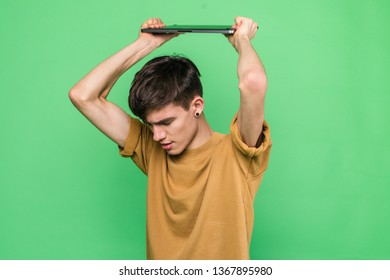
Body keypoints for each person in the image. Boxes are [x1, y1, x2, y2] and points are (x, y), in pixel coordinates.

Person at [69, 16, 272, 260]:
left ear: (196, 105)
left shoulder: (239, 154)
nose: (157, 135)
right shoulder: (151, 149)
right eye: (150, 125)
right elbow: (83, 96)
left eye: (166, 122)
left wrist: (242, 41)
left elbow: (253, 82)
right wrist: (145, 44)